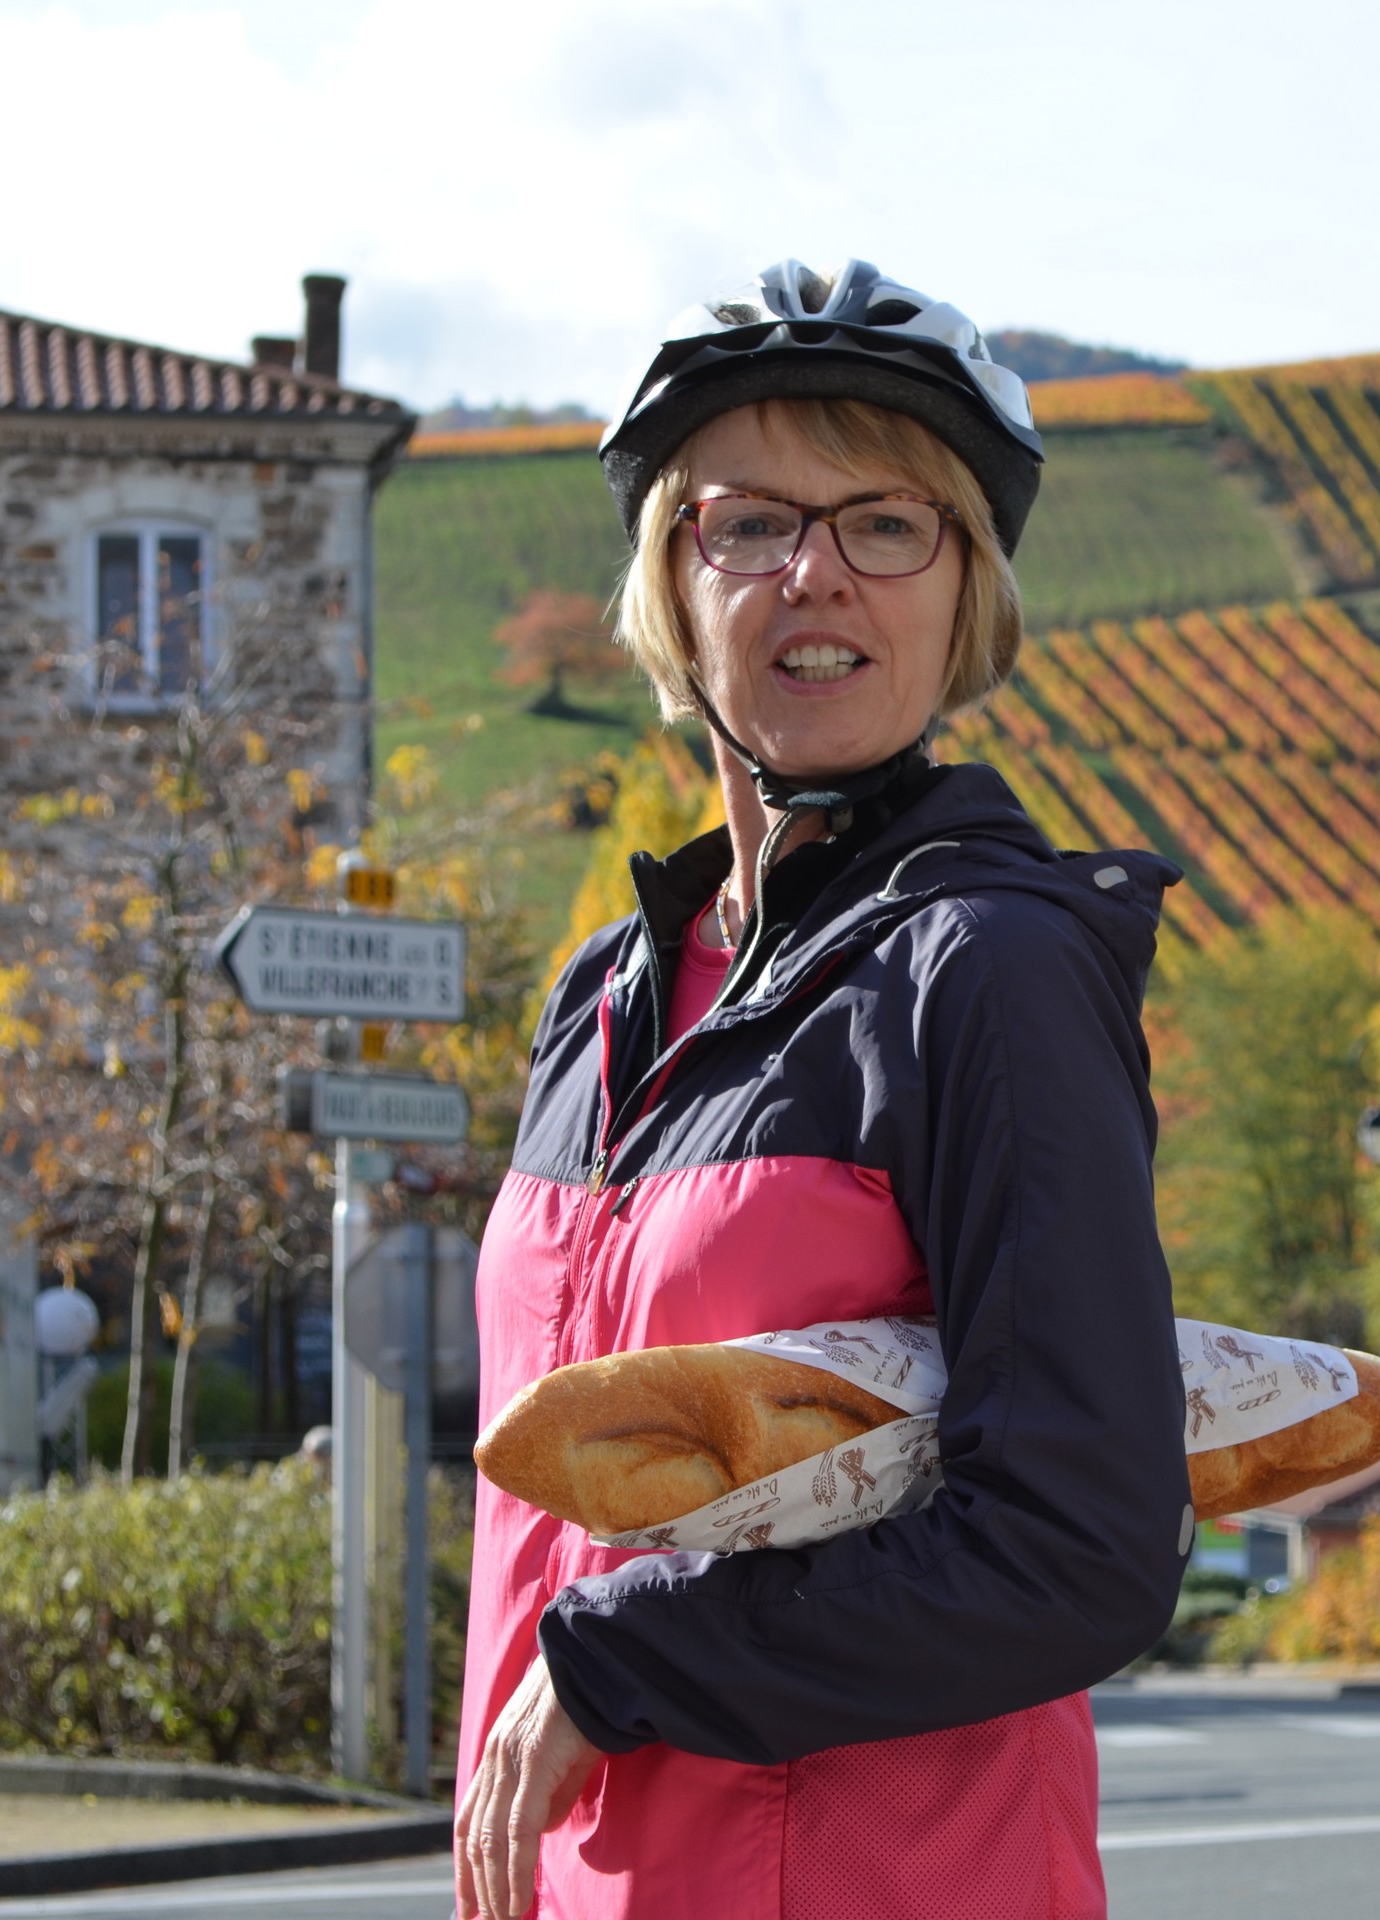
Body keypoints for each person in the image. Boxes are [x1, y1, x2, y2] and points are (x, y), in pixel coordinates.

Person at [455, 261, 1190, 1920]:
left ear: (964, 589)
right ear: (672, 580)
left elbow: (1083, 1543)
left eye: (888, 523)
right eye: (750, 524)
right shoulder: (601, 1000)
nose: (816, 575)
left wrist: (634, 1656)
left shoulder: (987, 970)